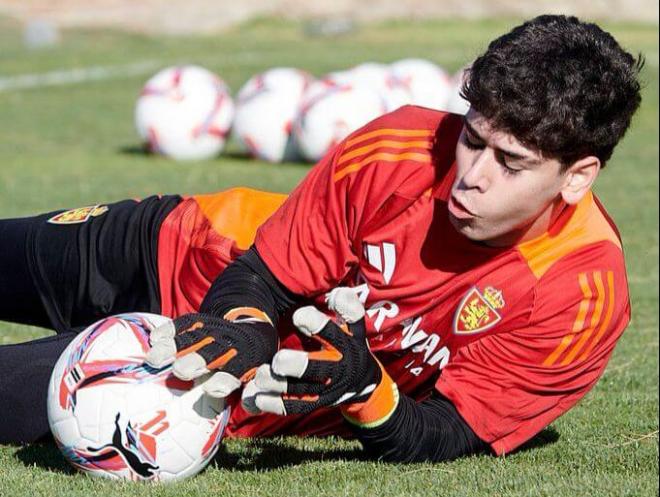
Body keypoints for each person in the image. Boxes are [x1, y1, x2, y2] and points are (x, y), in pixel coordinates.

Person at [0, 15, 643, 461]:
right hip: (172, 242)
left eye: (510, 162)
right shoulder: (401, 147)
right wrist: (249, 328)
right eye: (473, 140)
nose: (469, 177)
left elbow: (451, 433)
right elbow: (264, 277)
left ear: (577, 176)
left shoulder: (580, 296)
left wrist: (368, 391)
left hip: (198, 381)